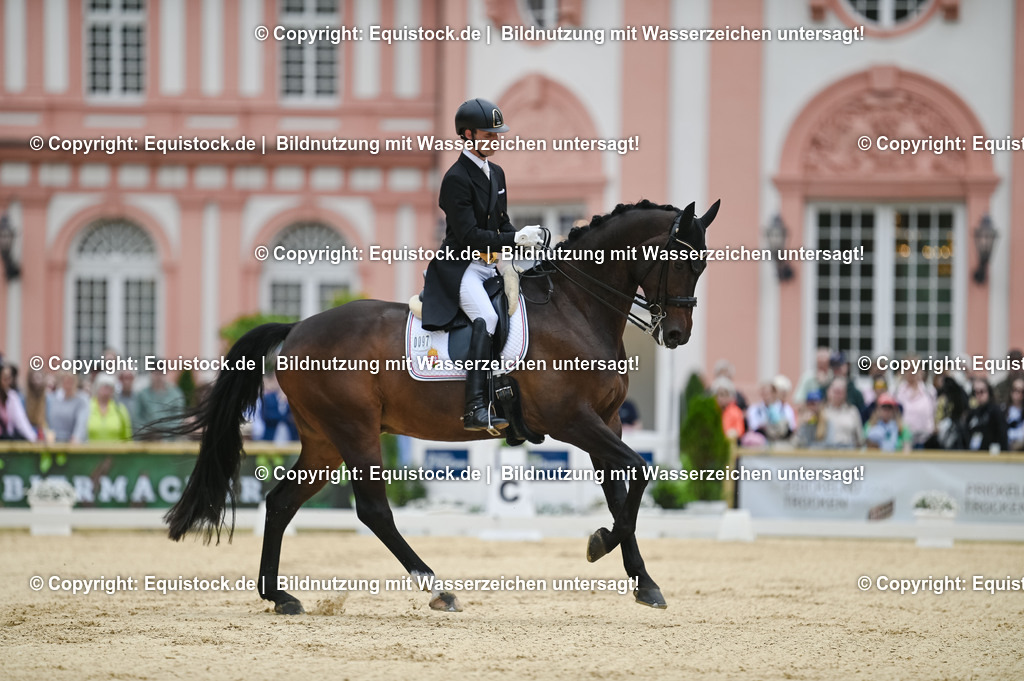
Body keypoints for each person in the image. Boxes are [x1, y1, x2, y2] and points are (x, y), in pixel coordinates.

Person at [420, 97, 545, 431]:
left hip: (488, 266)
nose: (495, 139)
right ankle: (475, 406)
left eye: (496, 134)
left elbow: (501, 225)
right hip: (459, 267)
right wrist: (514, 240)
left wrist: (526, 239)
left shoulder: (496, 173)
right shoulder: (455, 178)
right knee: (488, 317)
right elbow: (471, 235)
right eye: (488, 134)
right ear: (468, 135)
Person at [893, 361, 936, 447]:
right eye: (908, 369)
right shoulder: (897, 390)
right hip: (904, 439)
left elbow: (934, 411)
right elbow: (894, 412)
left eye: (915, 369)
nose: (912, 372)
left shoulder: (929, 391)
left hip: (926, 439)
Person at [134, 372, 186, 440]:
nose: (158, 377)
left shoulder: (176, 394)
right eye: (155, 373)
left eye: (161, 373)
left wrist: (164, 433)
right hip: (147, 439)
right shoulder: (142, 394)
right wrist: (148, 431)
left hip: (170, 440)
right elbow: (137, 417)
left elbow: (179, 417)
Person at [817, 377, 864, 448]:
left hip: (848, 453)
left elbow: (860, 439)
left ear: (845, 393)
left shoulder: (853, 411)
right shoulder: (821, 411)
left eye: (840, 392)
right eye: (835, 391)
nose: (837, 395)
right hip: (826, 454)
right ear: (828, 392)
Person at [964, 378, 1008, 453]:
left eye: (982, 391)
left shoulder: (996, 412)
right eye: (975, 392)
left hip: (991, 457)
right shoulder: (971, 414)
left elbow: (1003, 437)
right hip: (972, 456)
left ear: (989, 392)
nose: (978, 395)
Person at [86, 373, 132, 442]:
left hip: (116, 451)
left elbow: (127, 437)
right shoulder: (87, 406)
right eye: (104, 386)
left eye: (109, 387)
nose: (106, 390)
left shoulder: (120, 408)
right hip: (89, 451)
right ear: (97, 387)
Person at [47, 371, 90, 443]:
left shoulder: (82, 400)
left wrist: (76, 438)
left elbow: (81, 422)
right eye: (65, 381)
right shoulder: (52, 399)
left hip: (73, 442)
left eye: (70, 381)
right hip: (55, 442)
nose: (68, 384)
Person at [0, 364, 37, 441]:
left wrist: (34, 438)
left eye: (9, 378)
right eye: (5, 378)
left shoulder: (12, 397)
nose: (8, 381)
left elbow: (21, 421)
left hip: (5, 441)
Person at [711, 377, 745, 442]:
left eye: (722, 395)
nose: (719, 398)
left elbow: (739, 430)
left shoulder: (736, 411)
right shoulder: (712, 411)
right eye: (717, 395)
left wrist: (732, 434)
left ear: (729, 396)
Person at [1004, 377, 1024, 451]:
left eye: (1021, 391)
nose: (1017, 393)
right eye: (1015, 389)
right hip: (1005, 448)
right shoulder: (1003, 409)